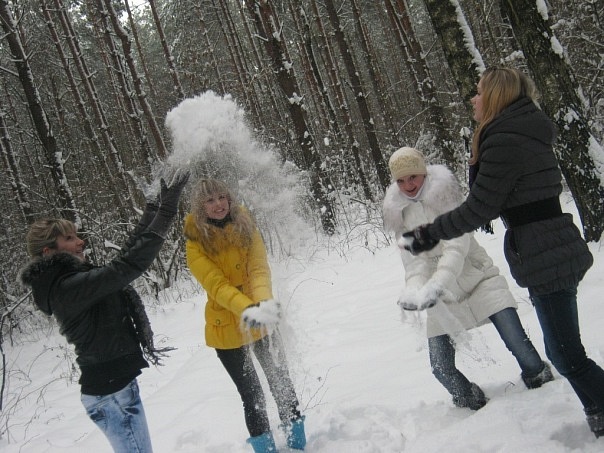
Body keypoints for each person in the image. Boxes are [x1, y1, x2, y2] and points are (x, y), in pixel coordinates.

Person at [402, 67, 603, 437]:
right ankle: (597, 412)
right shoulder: (521, 130)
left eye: (479, 92)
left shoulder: (504, 139)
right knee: (565, 351)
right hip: (553, 242)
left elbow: (480, 207)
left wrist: (431, 232)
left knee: (565, 355)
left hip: (544, 250)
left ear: (495, 95)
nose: (474, 99)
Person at [19, 170, 190, 452]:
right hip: (112, 394)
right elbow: (125, 268)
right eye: (69, 238)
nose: (80, 242)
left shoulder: (69, 281)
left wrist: (152, 210)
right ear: (49, 252)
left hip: (113, 389)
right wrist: (167, 212)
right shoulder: (67, 288)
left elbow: (123, 259)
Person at [383, 147, 552, 410]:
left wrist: (438, 283)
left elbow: (456, 248)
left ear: (423, 172)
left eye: (413, 177)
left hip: (479, 279)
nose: (408, 185)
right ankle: (471, 400)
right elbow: (414, 262)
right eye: (401, 180)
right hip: (442, 297)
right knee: (440, 367)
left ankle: (543, 384)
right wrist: (414, 290)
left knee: (518, 344)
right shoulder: (399, 213)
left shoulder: (444, 197)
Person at [184, 179, 306, 453]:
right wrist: (247, 309)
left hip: (261, 316)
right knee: (252, 395)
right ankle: (266, 449)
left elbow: (259, 267)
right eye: (209, 200)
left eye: (221, 197)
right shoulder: (195, 242)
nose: (218, 204)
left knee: (281, 382)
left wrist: (262, 303)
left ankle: (298, 445)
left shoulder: (245, 224)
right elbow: (217, 286)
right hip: (225, 326)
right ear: (200, 207)